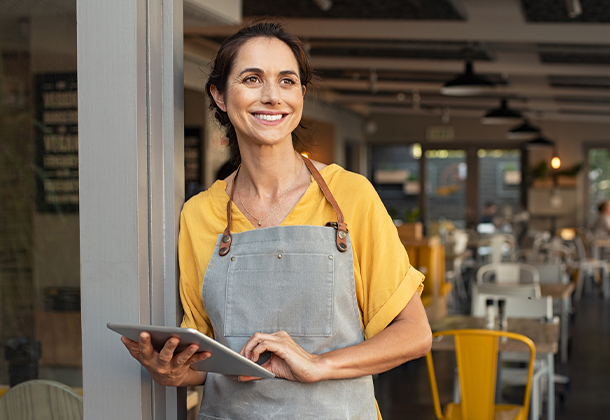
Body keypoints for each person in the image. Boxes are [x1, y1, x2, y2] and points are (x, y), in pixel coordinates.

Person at [121, 22, 431, 419]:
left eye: (287, 81)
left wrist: (320, 365)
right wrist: (174, 374)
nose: (272, 96)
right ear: (219, 95)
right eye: (252, 79)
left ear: (300, 94)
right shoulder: (199, 213)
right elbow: (205, 357)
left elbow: (415, 333)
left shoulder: (350, 196)